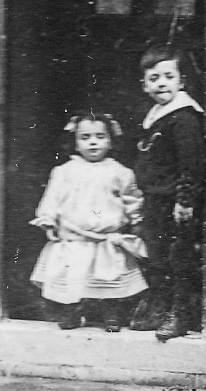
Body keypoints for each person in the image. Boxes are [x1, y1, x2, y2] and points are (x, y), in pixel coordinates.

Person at [29, 112, 147, 332]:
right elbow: (53, 198)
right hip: (75, 237)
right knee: (72, 278)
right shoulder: (64, 172)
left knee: (109, 279)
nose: (93, 142)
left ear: (110, 141)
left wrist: (136, 219)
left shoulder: (121, 173)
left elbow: (132, 199)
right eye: (85, 137)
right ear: (75, 143)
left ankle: (111, 315)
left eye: (100, 136)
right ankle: (71, 312)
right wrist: (48, 219)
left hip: (105, 239)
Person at [129, 45, 204, 342]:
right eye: (154, 78)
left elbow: (191, 163)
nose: (162, 83)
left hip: (174, 202)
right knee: (157, 256)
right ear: (145, 85)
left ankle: (181, 315)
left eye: (168, 77)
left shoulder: (183, 118)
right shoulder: (156, 117)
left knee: (179, 258)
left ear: (181, 82)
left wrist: (184, 200)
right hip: (154, 200)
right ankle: (160, 307)